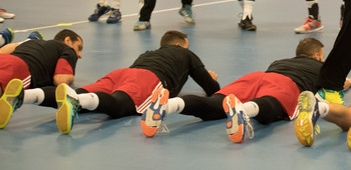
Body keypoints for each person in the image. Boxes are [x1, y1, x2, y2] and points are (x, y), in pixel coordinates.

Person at [140, 37, 351, 143]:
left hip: (256, 76)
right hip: (287, 84)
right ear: (318, 56)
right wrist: (349, 82)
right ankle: (243, 112)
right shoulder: (321, 66)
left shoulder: (280, 60)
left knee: (215, 104)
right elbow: (339, 82)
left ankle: (167, 106)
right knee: (272, 105)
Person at [3, 30, 219, 134]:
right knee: (119, 105)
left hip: (122, 73)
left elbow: (133, 73)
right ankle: (75, 101)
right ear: (181, 46)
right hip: (147, 79)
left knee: (84, 94)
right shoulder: (186, 55)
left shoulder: (148, 53)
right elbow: (211, 89)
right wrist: (212, 79)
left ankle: (24, 95)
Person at [0, 29, 83, 128]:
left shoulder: (32, 42)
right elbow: (60, 80)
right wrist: (70, 78)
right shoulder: (68, 50)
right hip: (19, 67)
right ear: (68, 40)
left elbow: (7, 49)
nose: (80, 55)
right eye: (79, 47)